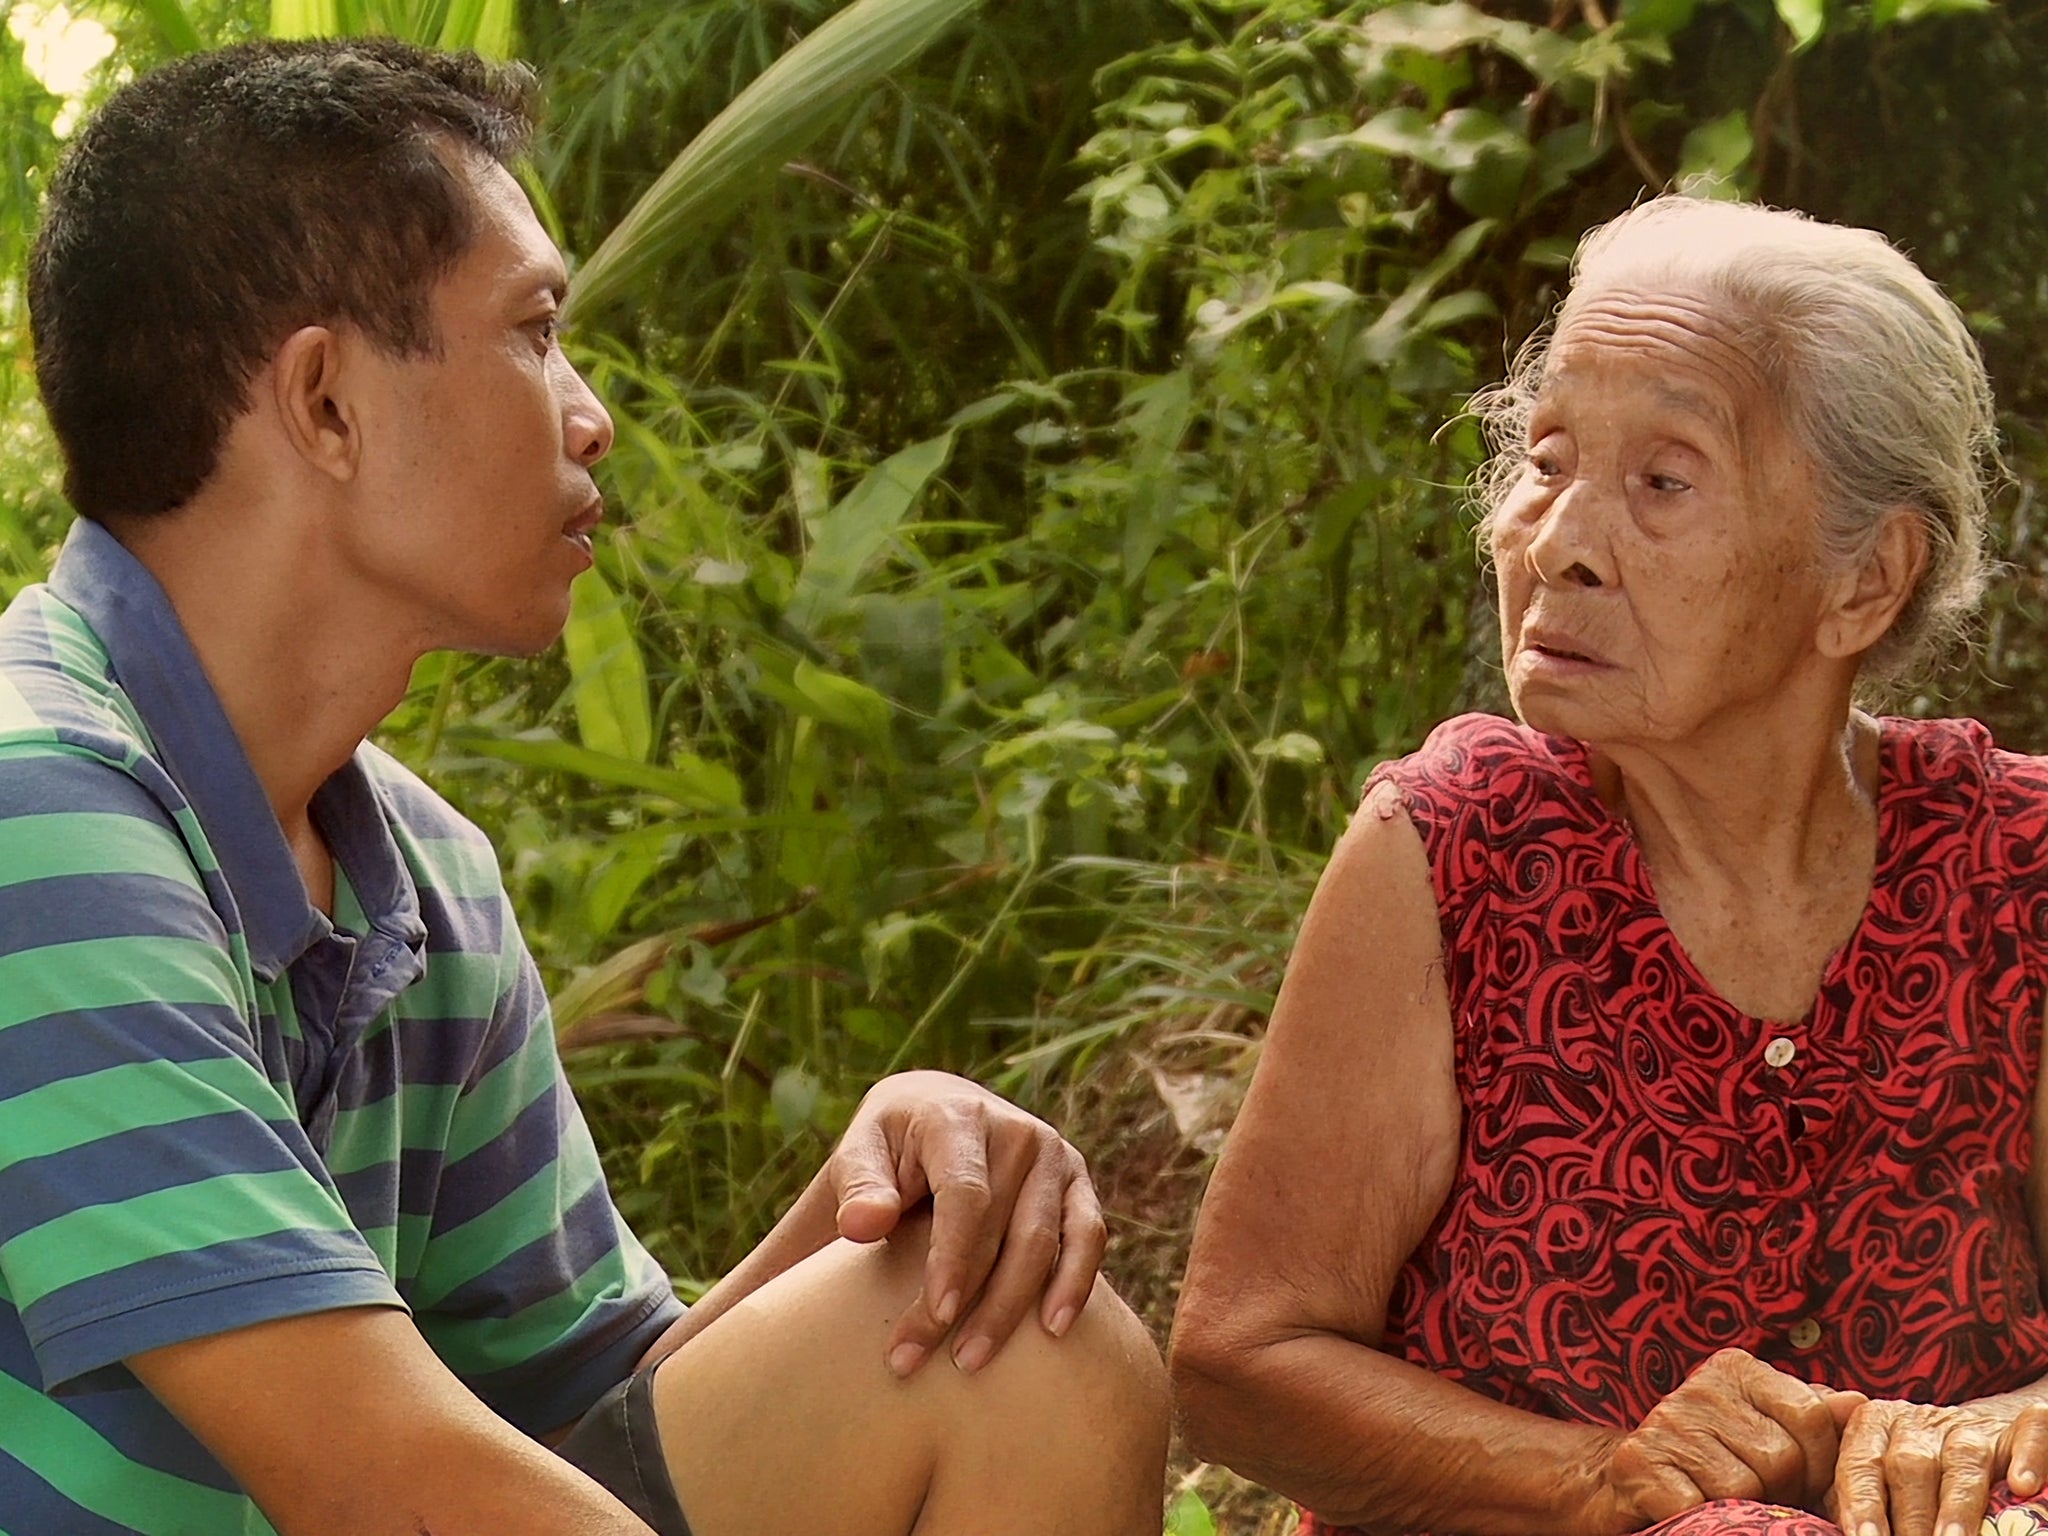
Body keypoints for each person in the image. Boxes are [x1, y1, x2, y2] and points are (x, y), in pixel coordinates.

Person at [2, 37, 1167, 1536]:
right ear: (328, 405)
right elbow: (386, 1485)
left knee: (996, 1344)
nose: (589, 409)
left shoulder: (418, 874)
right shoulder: (37, 811)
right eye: (536, 329)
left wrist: (869, 1205)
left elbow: (579, 1428)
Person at [1170, 194, 2048, 1536]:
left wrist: (2011, 1430)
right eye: (1547, 457)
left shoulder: (2013, 866)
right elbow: (1238, 1366)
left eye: (1663, 481)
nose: (1558, 541)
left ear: (1865, 580)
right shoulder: (1459, 847)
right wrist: (1601, 1476)